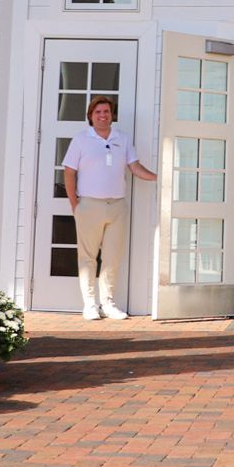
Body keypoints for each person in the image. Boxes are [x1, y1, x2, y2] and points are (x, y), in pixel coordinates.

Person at [61, 97, 157, 319]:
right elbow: (69, 172)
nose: (103, 115)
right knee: (87, 257)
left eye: (106, 111)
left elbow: (134, 167)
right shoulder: (81, 139)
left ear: (112, 115)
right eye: (98, 112)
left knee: (113, 257)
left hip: (117, 207)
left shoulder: (121, 138)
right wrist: (75, 204)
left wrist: (159, 178)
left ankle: (108, 303)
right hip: (89, 205)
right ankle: (90, 305)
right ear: (91, 116)